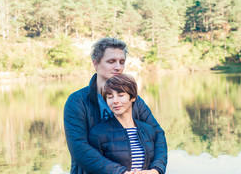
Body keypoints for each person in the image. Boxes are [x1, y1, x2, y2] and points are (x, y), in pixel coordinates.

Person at [63, 37, 167, 174]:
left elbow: (157, 134)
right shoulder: (77, 101)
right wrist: (119, 172)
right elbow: (79, 148)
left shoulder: (134, 100)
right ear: (95, 63)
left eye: (121, 62)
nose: (118, 67)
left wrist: (156, 169)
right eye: (111, 61)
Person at [88, 74, 158, 174]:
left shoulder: (148, 130)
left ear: (133, 97)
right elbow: (95, 167)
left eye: (120, 95)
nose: (115, 101)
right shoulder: (97, 133)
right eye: (110, 97)